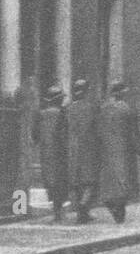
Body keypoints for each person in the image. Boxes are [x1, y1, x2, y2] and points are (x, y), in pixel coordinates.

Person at [98, 80, 140, 224]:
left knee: (109, 180)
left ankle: (112, 206)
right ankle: (119, 212)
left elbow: (98, 130)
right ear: (122, 94)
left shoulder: (103, 108)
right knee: (124, 180)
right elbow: (133, 133)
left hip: (106, 150)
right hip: (124, 150)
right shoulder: (127, 109)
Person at [31, 84, 69, 221]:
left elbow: (34, 135)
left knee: (50, 180)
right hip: (60, 152)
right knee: (61, 180)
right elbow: (66, 134)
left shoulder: (40, 114)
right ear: (58, 100)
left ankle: (56, 211)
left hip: (46, 152)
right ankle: (59, 211)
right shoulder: (63, 113)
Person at [67, 78, 99, 223]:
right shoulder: (92, 107)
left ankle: (83, 212)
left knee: (77, 181)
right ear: (87, 91)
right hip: (89, 148)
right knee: (90, 181)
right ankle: (83, 206)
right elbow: (98, 128)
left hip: (72, 148)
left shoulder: (68, 108)